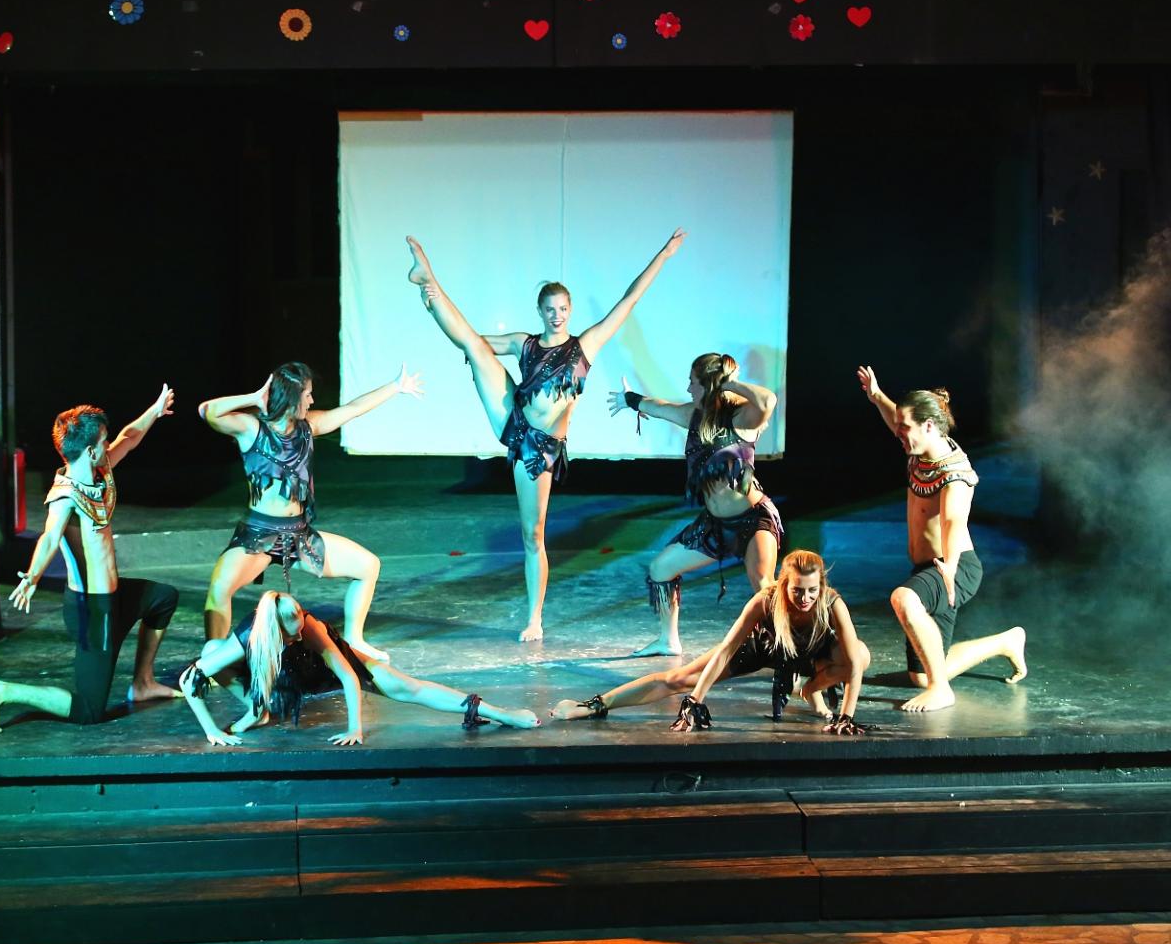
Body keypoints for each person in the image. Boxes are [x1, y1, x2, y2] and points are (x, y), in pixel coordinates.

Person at [405, 229, 687, 641]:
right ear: (540, 311)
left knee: (532, 534)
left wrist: (663, 254)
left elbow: (628, 301)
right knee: (473, 346)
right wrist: (433, 307)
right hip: (513, 419)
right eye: (550, 309)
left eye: (563, 309)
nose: (557, 315)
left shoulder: (584, 346)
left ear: (570, 311)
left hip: (540, 449)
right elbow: (469, 340)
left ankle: (534, 617)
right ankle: (426, 277)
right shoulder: (525, 343)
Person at [0, 388, 181, 733]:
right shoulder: (65, 495)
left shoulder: (100, 469)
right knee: (89, 711)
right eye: (103, 441)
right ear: (89, 451)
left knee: (163, 598)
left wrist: (155, 410)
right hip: (92, 611)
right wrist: (32, 576)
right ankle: (3, 690)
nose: (108, 444)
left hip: (115, 596)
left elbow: (129, 438)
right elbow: (49, 537)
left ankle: (143, 683)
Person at [199, 362, 422, 662]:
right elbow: (207, 411)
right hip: (259, 535)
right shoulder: (252, 429)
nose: (312, 400)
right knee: (220, 588)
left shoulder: (309, 428)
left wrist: (395, 387)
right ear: (292, 398)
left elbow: (353, 409)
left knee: (368, 566)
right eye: (307, 394)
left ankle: (355, 640)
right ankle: (213, 660)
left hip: (299, 534)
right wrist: (254, 398)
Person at [549, 549, 873, 734]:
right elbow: (726, 650)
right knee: (678, 679)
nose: (805, 598)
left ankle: (810, 688)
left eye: (812, 591)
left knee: (859, 654)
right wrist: (695, 700)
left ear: (821, 586)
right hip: (762, 647)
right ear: (784, 584)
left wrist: (846, 717)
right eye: (797, 591)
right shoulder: (766, 600)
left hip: (814, 653)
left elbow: (854, 666)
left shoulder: (832, 603)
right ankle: (596, 705)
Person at [856, 366, 1027, 711]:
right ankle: (1005, 642)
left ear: (929, 426)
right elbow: (896, 417)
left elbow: (953, 521)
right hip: (928, 568)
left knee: (904, 599)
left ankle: (941, 691)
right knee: (920, 674)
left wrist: (949, 567)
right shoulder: (920, 450)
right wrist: (876, 397)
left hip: (955, 567)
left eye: (905, 428)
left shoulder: (955, 473)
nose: (898, 432)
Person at [180, 590, 542, 746]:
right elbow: (189, 679)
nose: (299, 636)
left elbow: (348, 677)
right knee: (211, 650)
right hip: (284, 675)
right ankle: (258, 710)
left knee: (406, 687)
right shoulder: (249, 635)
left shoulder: (310, 628)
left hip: (325, 669)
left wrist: (355, 727)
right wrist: (211, 731)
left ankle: (500, 713)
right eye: (291, 636)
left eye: (300, 630)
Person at [611, 352, 780, 656]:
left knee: (763, 584)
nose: (688, 388)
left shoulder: (742, 417)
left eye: (693, 382)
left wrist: (730, 384)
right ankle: (668, 641)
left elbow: (768, 400)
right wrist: (631, 400)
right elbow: (661, 408)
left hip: (754, 520)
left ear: (709, 384)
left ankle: (790, 648)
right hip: (715, 525)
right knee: (661, 568)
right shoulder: (694, 415)